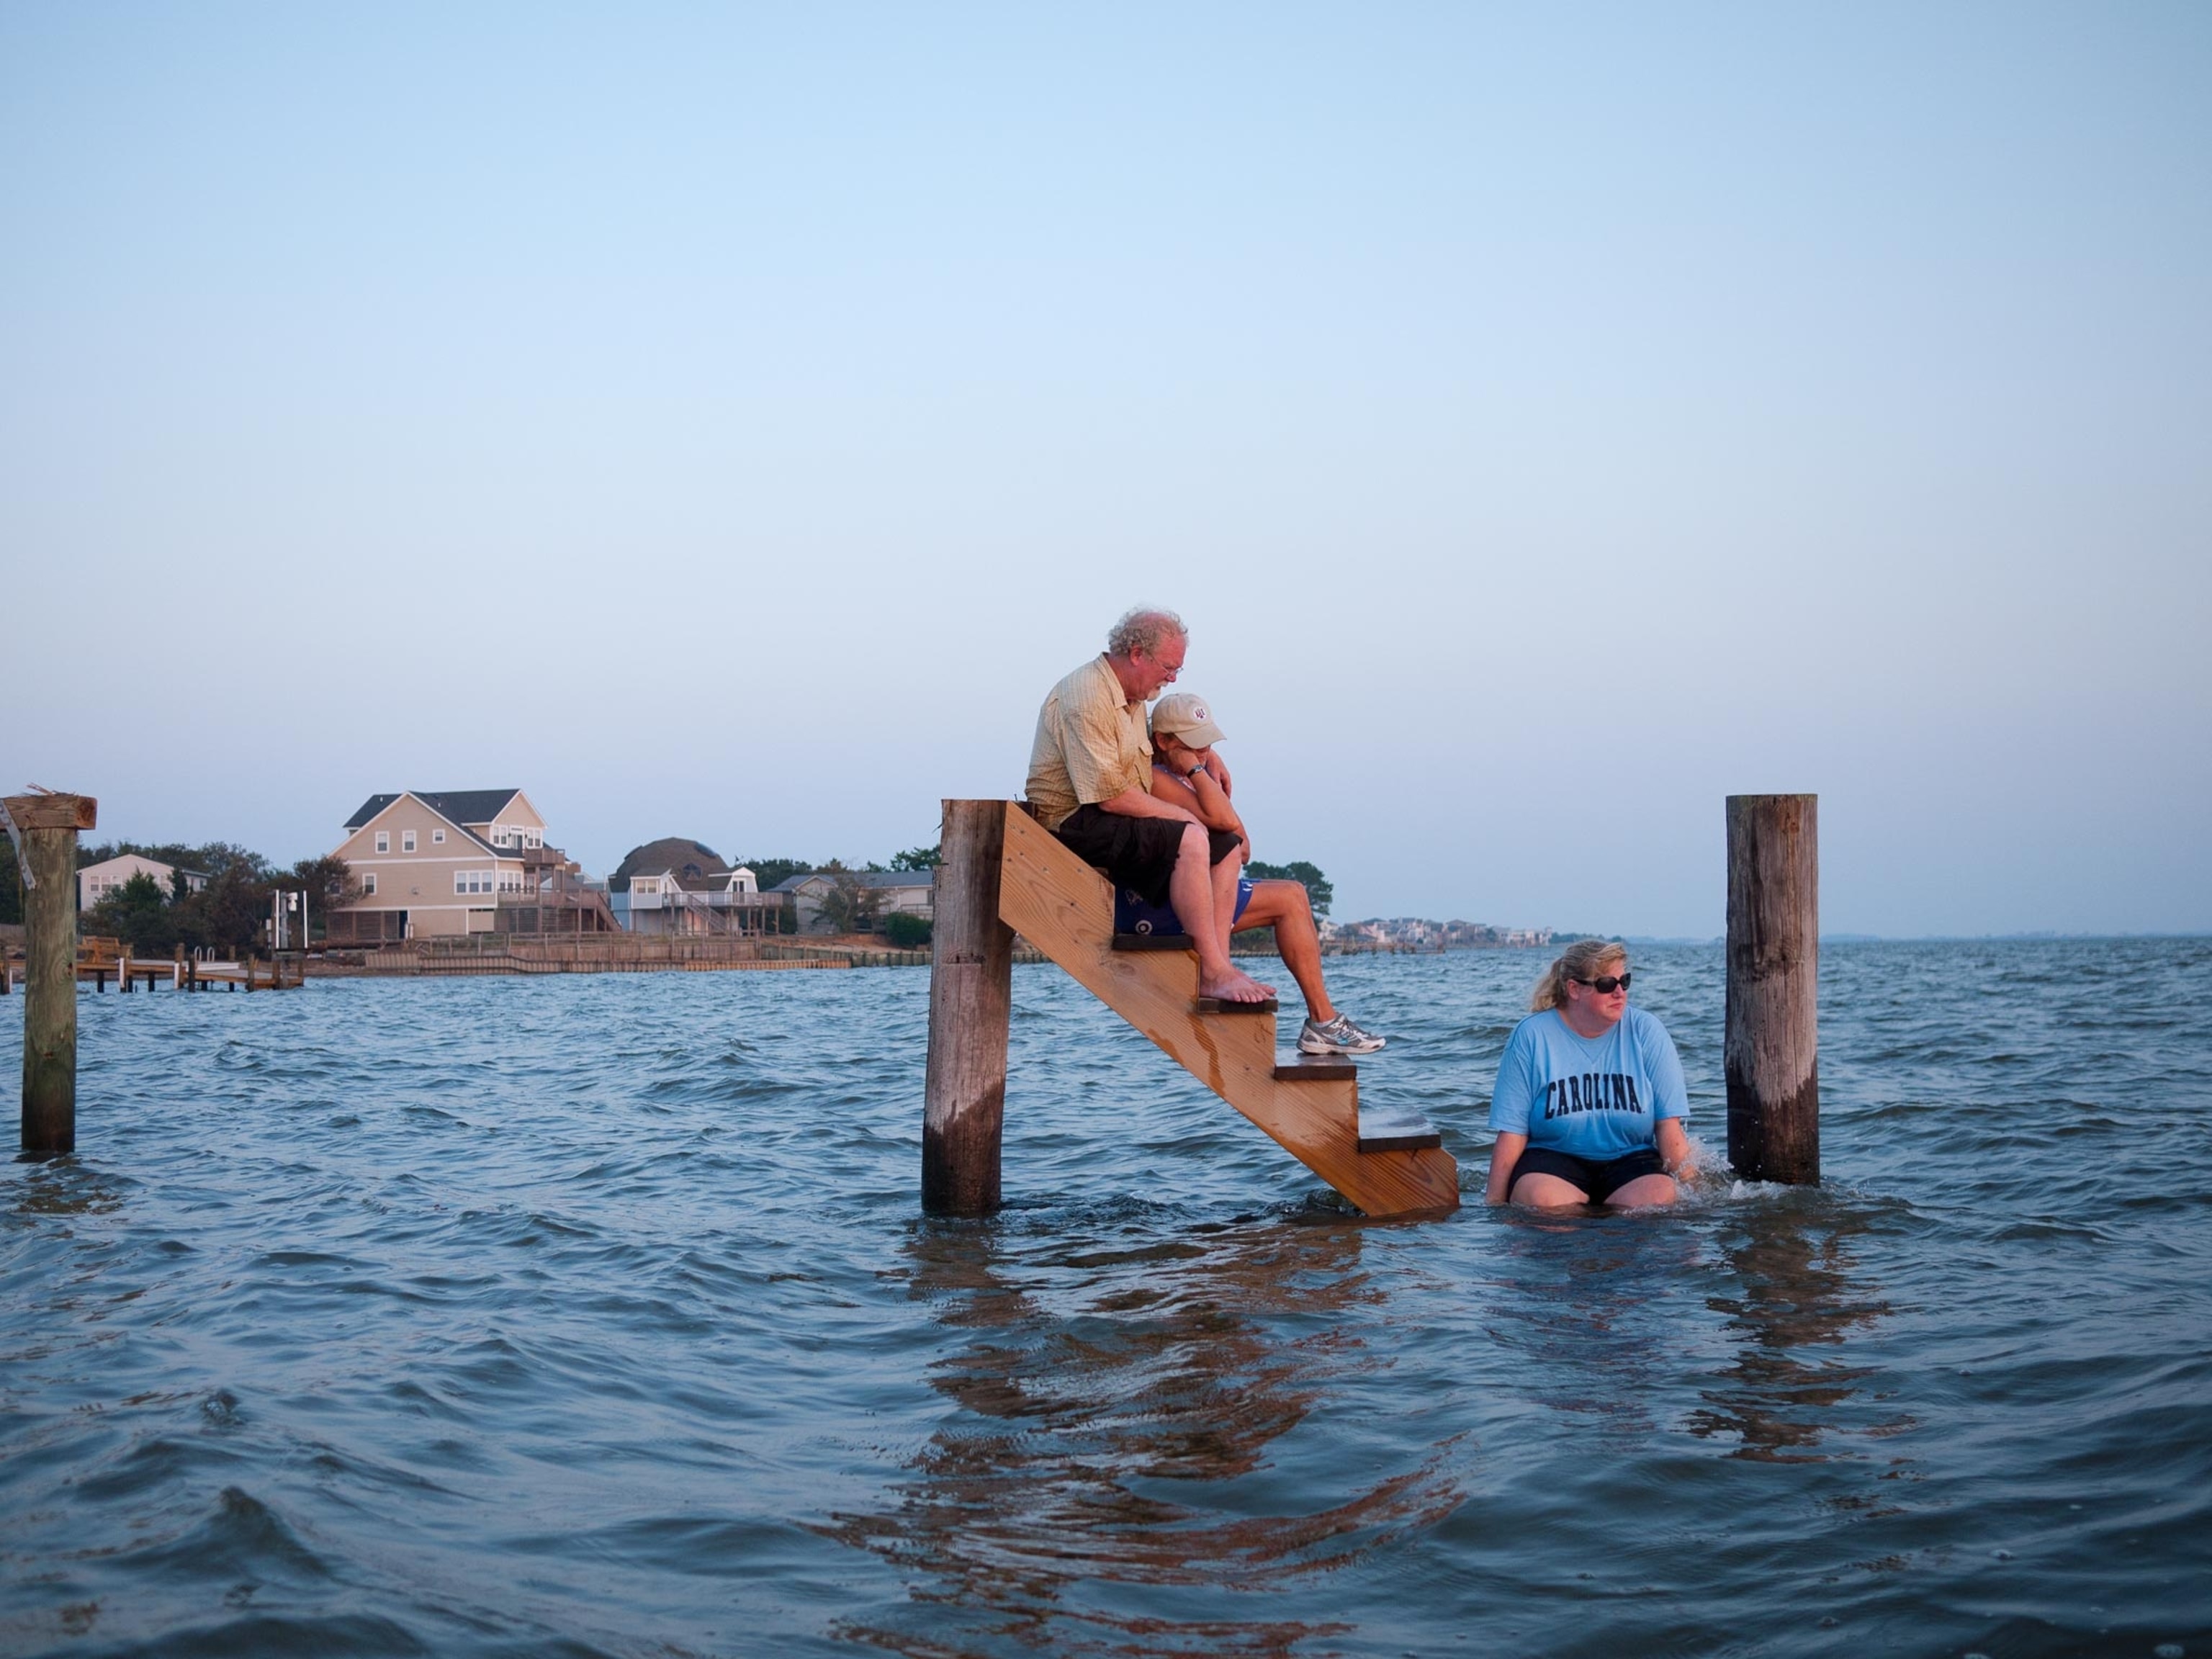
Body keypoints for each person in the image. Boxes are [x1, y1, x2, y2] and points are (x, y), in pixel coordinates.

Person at [1025, 608, 1271, 1006]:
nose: (1173, 678)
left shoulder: (1134, 696)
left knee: (1226, 846)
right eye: (1169, 667)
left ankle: (1219, 965)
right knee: (1192, 836)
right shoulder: (1087, 697)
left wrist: (1207, 756)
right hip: (1073, 821)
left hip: (1110, 812)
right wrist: (1186, 818)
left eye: (1177, 669)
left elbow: (1160, 743)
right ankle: (1211, 972)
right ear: (1137, 654)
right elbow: (1110, 796)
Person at [1144, 692, 1385, 1056]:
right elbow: (1228, 826)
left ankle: (1323, 1023)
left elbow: (1242, 846)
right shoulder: (1156, 777)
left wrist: (1205, 769)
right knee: (1288, 897)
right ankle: (1222, 972)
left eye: (1207, 742)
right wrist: (1198, 771)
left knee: (1293, 895)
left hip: (1209, 889)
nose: (1203, 751)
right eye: (1193, 745)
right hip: (1173, 900)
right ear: (1164, 742)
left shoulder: (1194, 774)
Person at [1483, 938, 1690, 1208]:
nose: (1620, 993)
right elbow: (1513, 1133)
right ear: (1574, 989)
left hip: (1631, 1158)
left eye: (1624, 981)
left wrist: (1696, 1197)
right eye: (1607, 984)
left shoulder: (1647, 1031)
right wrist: (1494, 1207)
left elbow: (1668, 1127)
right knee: (1544, 1201)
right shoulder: (1531, 1036)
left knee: (1657, 1198)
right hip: (1552, 1158)